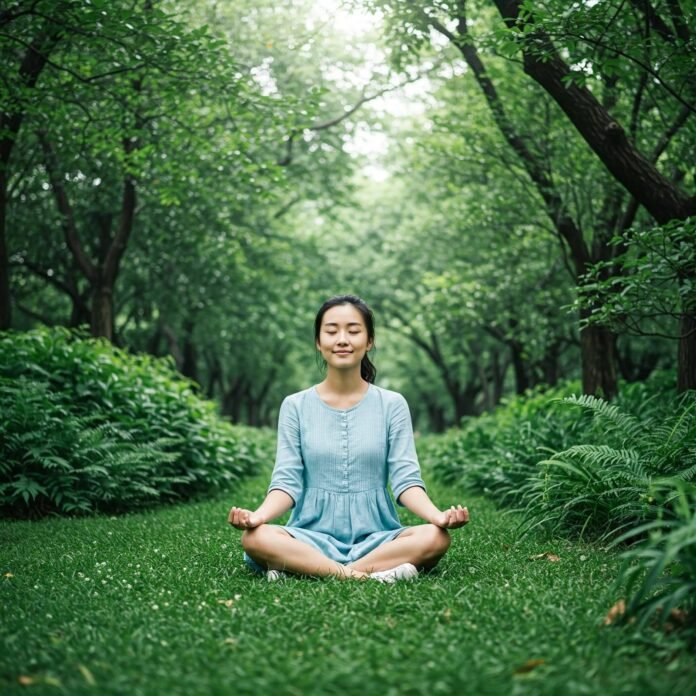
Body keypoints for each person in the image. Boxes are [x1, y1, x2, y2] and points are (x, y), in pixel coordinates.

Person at [228, 294, 469, 582]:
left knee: (436, 538)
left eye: (353, 331)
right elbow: (286, 482)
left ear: (369, 341)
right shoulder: (295, 406)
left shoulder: (392, 404)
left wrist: (438, 517)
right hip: (309, 536)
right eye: (331, 331)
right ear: (319, 341)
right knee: (255, 538)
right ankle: (367, 576)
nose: (342, 339)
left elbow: (406, 481)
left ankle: (305, 568)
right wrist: (257, 517)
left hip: (377, 537)